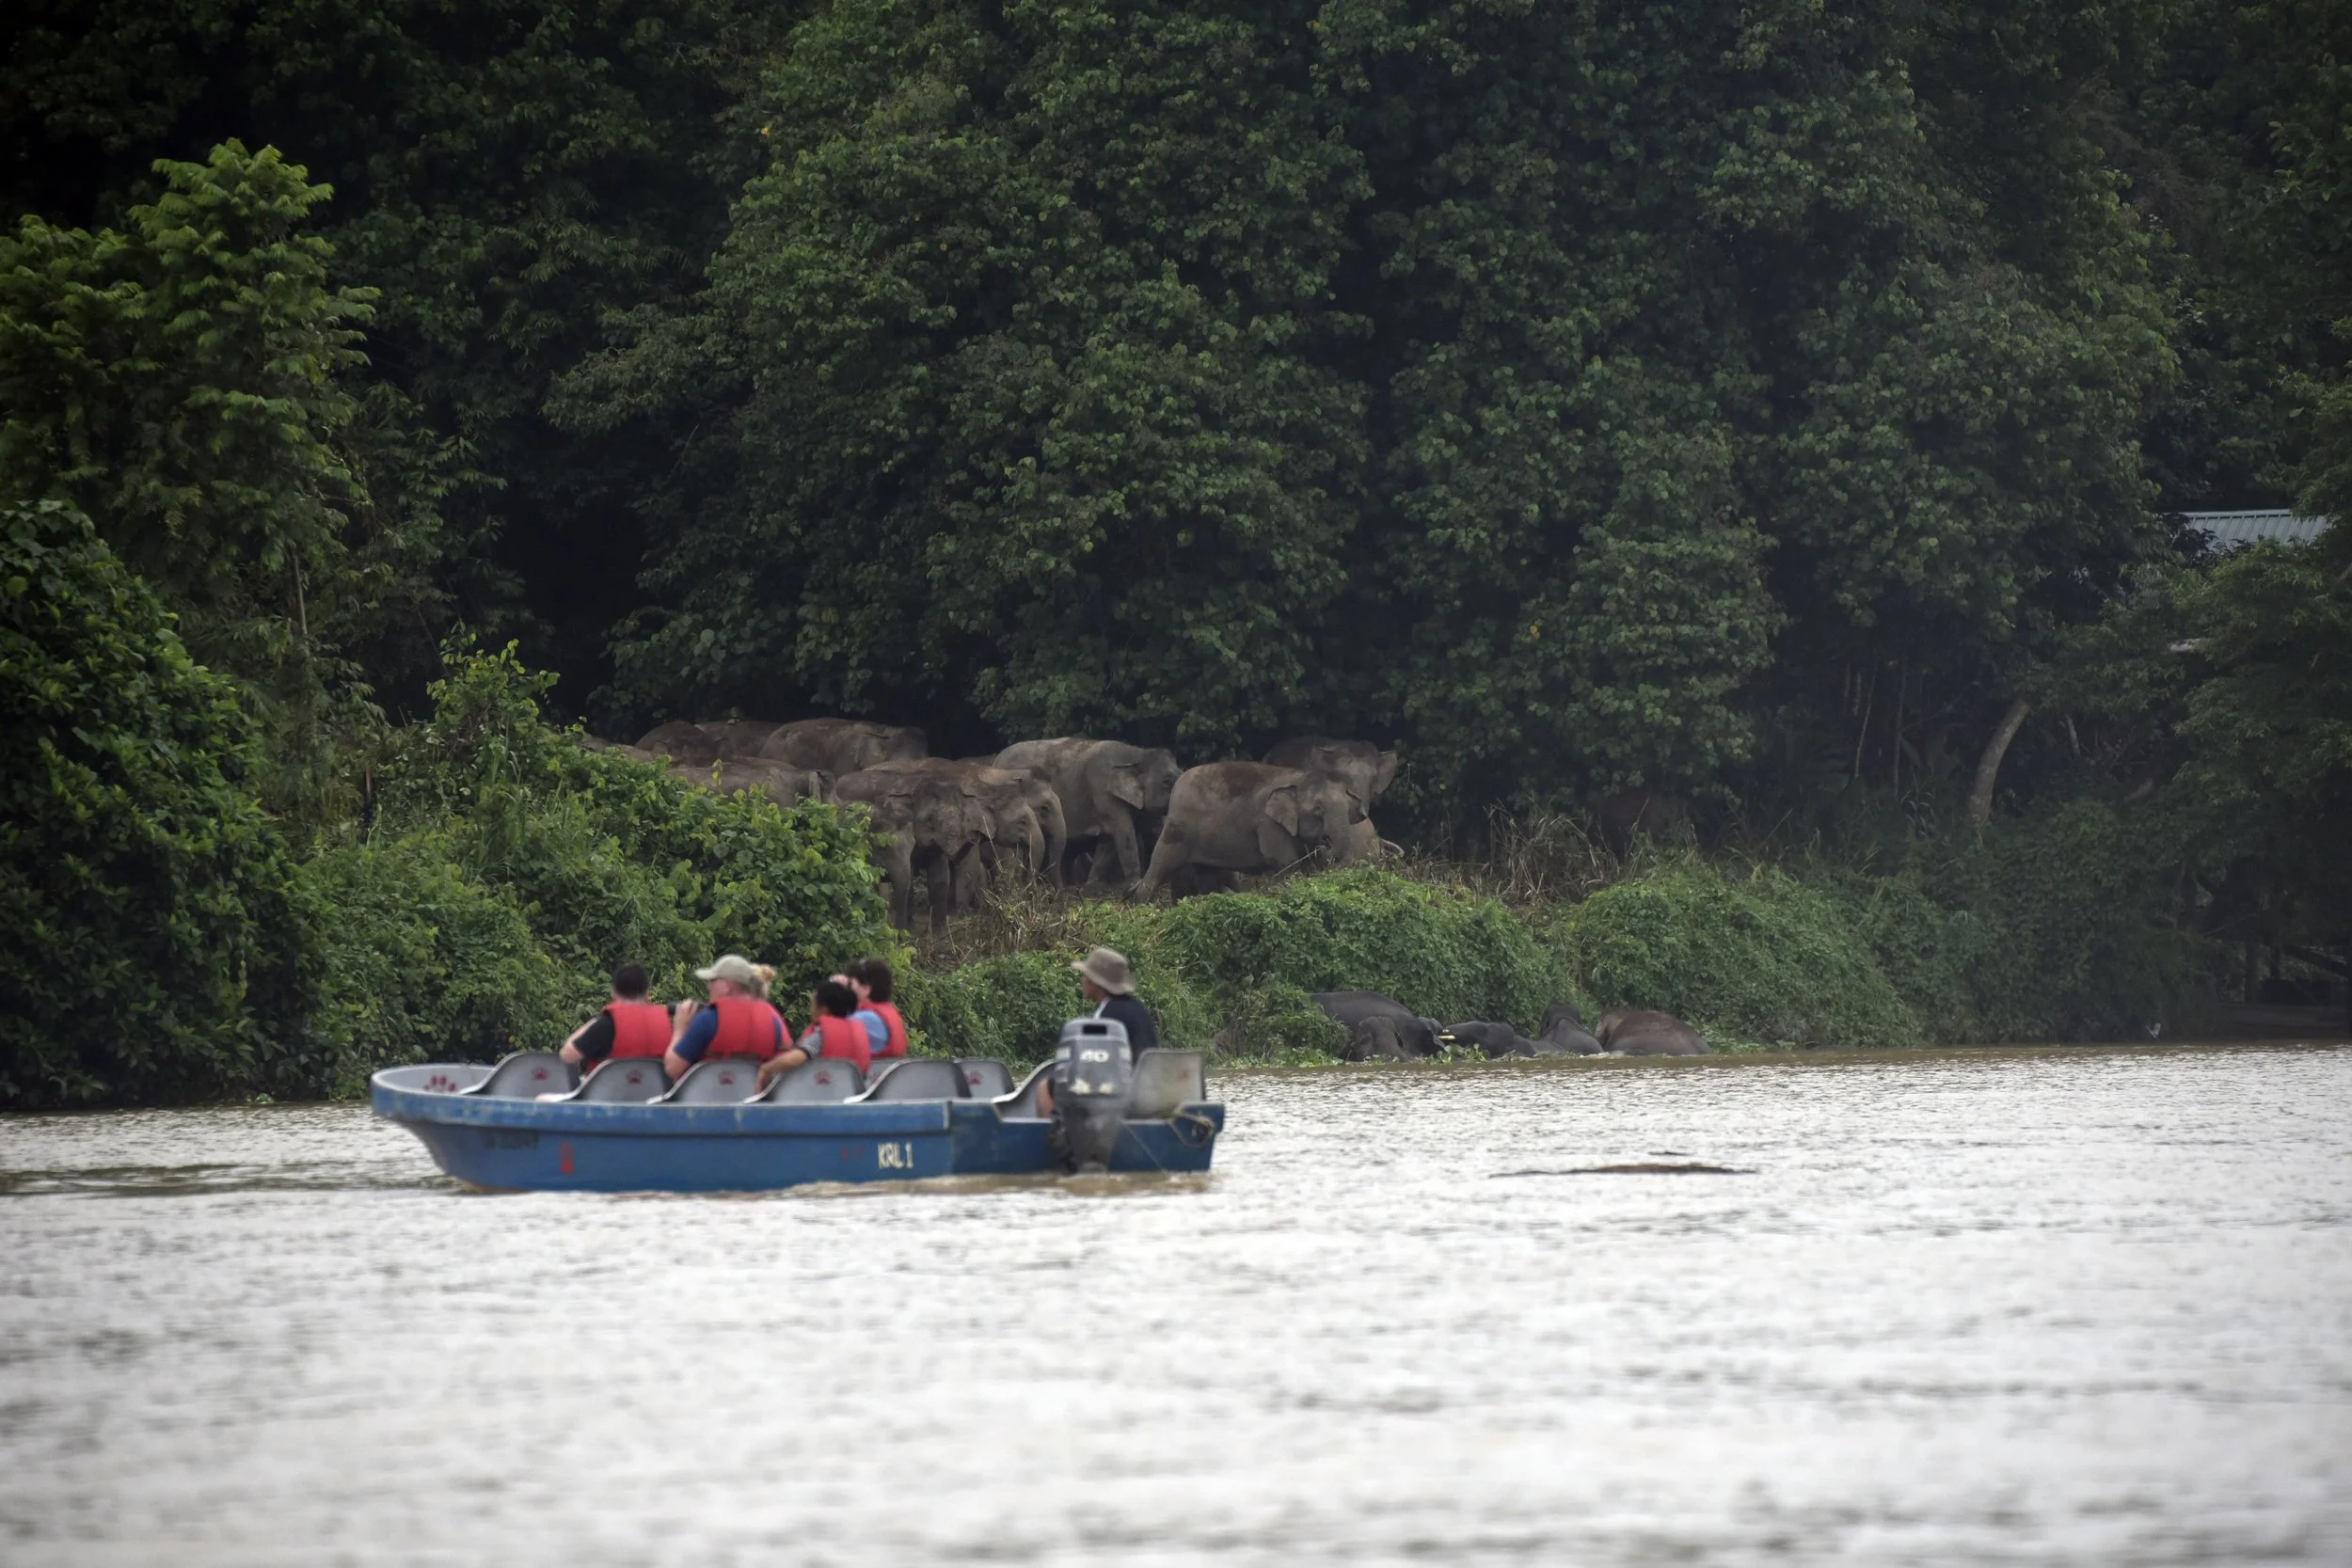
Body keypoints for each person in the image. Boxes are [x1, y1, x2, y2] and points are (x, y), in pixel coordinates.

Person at [1037, 946, 1158, 1117]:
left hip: (1121, 1089)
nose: (1083, 980)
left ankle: (1054, 1140)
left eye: (1086, 976)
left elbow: (1093, 1060)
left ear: (1095, 982)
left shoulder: (1106, 1015)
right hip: (1146, 1088)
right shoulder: (1138, 1008)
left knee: (1044, 1088)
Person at [664, 954, 786, 1081]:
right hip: (753, 1098)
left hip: (707, 1098)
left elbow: (672, 1068)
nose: (708, 986)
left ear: (728, 986)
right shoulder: (773, 1021)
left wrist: (680, 1029)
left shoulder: (708, 1020)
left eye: (713, 981)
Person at [755, 976, 872, 1088]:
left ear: (824, 1008)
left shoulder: (821, 1036)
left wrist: (767, 1068)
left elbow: (796, 1058)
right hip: (852, 1100)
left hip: (822, 1097)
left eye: (813, 1002)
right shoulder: (860, 1032)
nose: (811, 1008)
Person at [560, 963, 670, 1074]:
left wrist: (594, 1022)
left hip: (609, 1091)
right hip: (655, 1091)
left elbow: (567, 1056)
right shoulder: (665, 1024)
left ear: (614, 993)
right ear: (647, 993)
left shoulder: (606, 1025)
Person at [846, 956, 908, 1061]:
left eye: (851, 983)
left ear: (866, 989)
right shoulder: (887, 1012)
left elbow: (824, 1038)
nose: (848, 987)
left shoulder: (863, 1018)